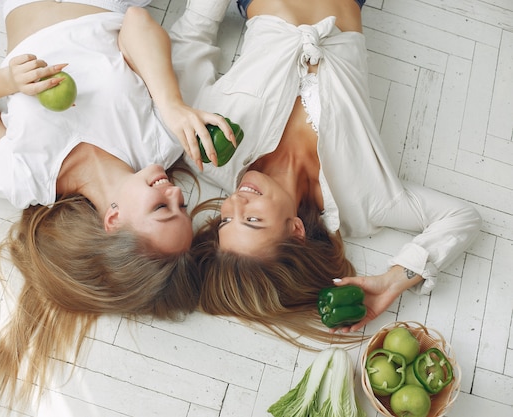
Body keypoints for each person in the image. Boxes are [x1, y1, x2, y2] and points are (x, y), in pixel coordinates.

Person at [0, 0, 236, 409]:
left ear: (115, 220)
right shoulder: (160, 141)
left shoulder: (23, 178)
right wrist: (172, 104)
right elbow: (136, 21)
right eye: (182, 205)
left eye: (162, 208)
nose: (174, 192)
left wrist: (7, 81)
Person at [170, 0, 482, 346]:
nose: (235, 204)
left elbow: (190, 43)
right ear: (296, 229)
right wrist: (395, 279)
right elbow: (461, 217)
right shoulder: (364, 202)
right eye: (253, 221)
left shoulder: (210, 153)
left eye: (226, 221)